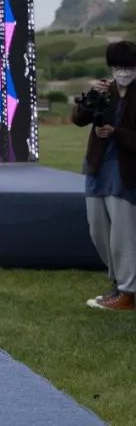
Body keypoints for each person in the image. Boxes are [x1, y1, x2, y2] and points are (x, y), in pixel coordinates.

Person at [73, 40, 136, 311]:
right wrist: (91, 96)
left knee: (123, 234)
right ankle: (119, 282)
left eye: (129, 67)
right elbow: (78, 118)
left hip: (125, 172)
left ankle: (129, 292)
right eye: (118, 67)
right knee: (98, 229)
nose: (123, 72)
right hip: (97, 167)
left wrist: (116, 133)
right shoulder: (105, 90)